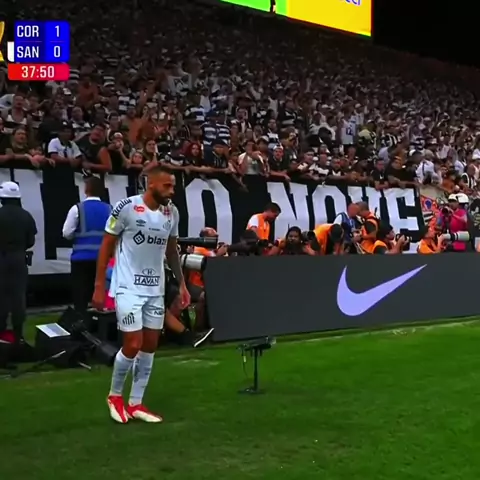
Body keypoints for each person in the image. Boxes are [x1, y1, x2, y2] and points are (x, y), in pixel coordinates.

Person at [92, 165, 190, 424]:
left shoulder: (171, 212)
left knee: (150, 346)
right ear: (151, 184)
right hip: (128, 287)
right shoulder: (126, 207)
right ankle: (115, 396)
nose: (172, 191)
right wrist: (99, 285)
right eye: (167, 186)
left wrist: (182, 284)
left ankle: (136, 402)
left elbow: (171, 251)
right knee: (133, 344)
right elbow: (106, 246)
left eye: (173, 186)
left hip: (155, 289)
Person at [62, 176, 111, 313]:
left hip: (81, 259)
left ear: (86, 190)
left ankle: (81, 320)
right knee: (102, 295)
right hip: (103, 259)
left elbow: (66, 233)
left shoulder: (77, 208)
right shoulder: (110, 209)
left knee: (80, 296)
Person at [0, 181, 37, 343]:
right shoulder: (26, 216)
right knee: (18, 297)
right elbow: (31, 241)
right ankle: (18, 335)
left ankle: (1, 333)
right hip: (19, 259)